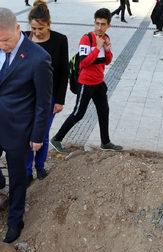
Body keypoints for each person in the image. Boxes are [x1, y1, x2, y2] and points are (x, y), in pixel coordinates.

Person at [0, 7, 52, 243]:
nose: (2, 45)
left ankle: (15, 220)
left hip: (20, 128)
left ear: (18, 29)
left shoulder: (39, 58)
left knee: (19, 178)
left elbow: (44, 101)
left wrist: (38, 135)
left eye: (6, 40)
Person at [50, 8, 121, 152]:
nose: (99, 27)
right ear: (94, 23)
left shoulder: (106, 38)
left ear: (109, 25)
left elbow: (106, 62)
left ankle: (105, 142)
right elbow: (83, 62)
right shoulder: (86, 39)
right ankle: (56, 139)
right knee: (78, 113)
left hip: (99, 82)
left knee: (104, 111)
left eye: (103, 24)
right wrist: (97, 48)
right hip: (86, 83)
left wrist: (107, 50)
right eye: (97, 23)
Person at [24, 0, 68, 184]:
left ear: (49, 24)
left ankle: (40, 166)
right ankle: (27, 172)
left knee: (42, 133)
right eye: (34, 28)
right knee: (26, 134)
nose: (36, 32)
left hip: (49, 99)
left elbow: (64, 72)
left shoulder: (60, 40)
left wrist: (60, 100)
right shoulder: (24, 39)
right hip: (26, 98)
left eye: (40, 28)